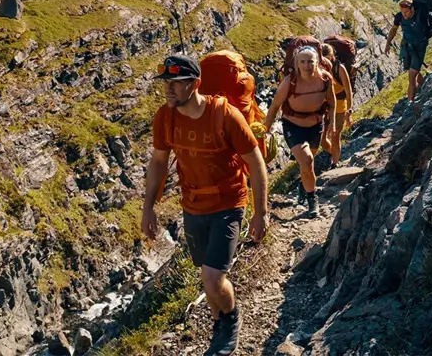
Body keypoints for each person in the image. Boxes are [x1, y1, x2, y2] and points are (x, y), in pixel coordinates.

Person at [142, 54, 269, 356]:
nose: (168, 89)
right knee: (205, 273)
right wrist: (148, 207)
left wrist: (261, 213)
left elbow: (256, 163)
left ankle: (231, 320)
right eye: (166, 83)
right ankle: (218, 324)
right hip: (193, 206)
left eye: (176, 83)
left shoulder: (225, 116)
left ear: (195, 84)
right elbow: (158, 162)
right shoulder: (165, 117)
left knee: (212, 279)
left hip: (228, 204)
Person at [264, 46, 336, 218]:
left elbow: (332, 102)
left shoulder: (325, 79)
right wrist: (265, 130)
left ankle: (303, 186)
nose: (306, 65)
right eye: (302, 62)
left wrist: (332, 123)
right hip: (293, 125)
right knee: (307, 159)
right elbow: (274, 107)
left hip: (315, 125)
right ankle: (312, 200)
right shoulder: (289, 82)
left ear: (317, 62)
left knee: (307, 164)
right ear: (296, 64)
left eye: (310, 61)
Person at [320, 42, 352, 168]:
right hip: (325, 107)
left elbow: (348, 91)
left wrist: (349, 111)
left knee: (335, 135)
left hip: (339, 107)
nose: (325, 61)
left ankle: (335, 163)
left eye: (327, 58)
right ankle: (334, 154)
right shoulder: (320, 68)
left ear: (332, 56)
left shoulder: (340, 68)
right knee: (322, 140)